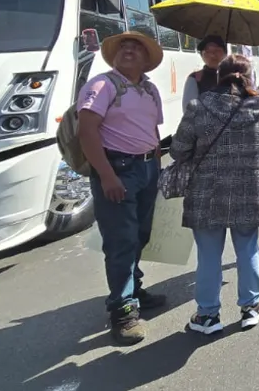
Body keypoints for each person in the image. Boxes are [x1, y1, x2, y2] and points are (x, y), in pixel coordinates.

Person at [171, 54, 259, 335]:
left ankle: (207, 315)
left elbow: (178, 150)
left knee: (208, 254)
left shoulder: (199, 106)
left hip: (207, 190)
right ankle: (251, 306)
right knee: (247, 248)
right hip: (250, 188)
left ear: (219, 76)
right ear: (250, 77)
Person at [76, 32, 166, 345]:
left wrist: (156, 166)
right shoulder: (102, 85)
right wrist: (107, 176)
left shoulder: (150, 89)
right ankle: (123, 311)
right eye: (123, 48)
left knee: (140, 234)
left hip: (146, 169)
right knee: (121, 241)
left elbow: (153, 129)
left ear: (146, 60)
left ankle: (134, 289)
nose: (128, 51)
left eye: (135, 48)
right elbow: (86, 130)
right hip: (118, 170)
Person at [183, 35, 227, 109]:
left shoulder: (234, 77)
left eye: (217, 50)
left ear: (225, 54)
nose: (212, 55)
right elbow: (189, 111)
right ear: (202, 56)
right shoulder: (195, 79)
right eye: (207, 51)